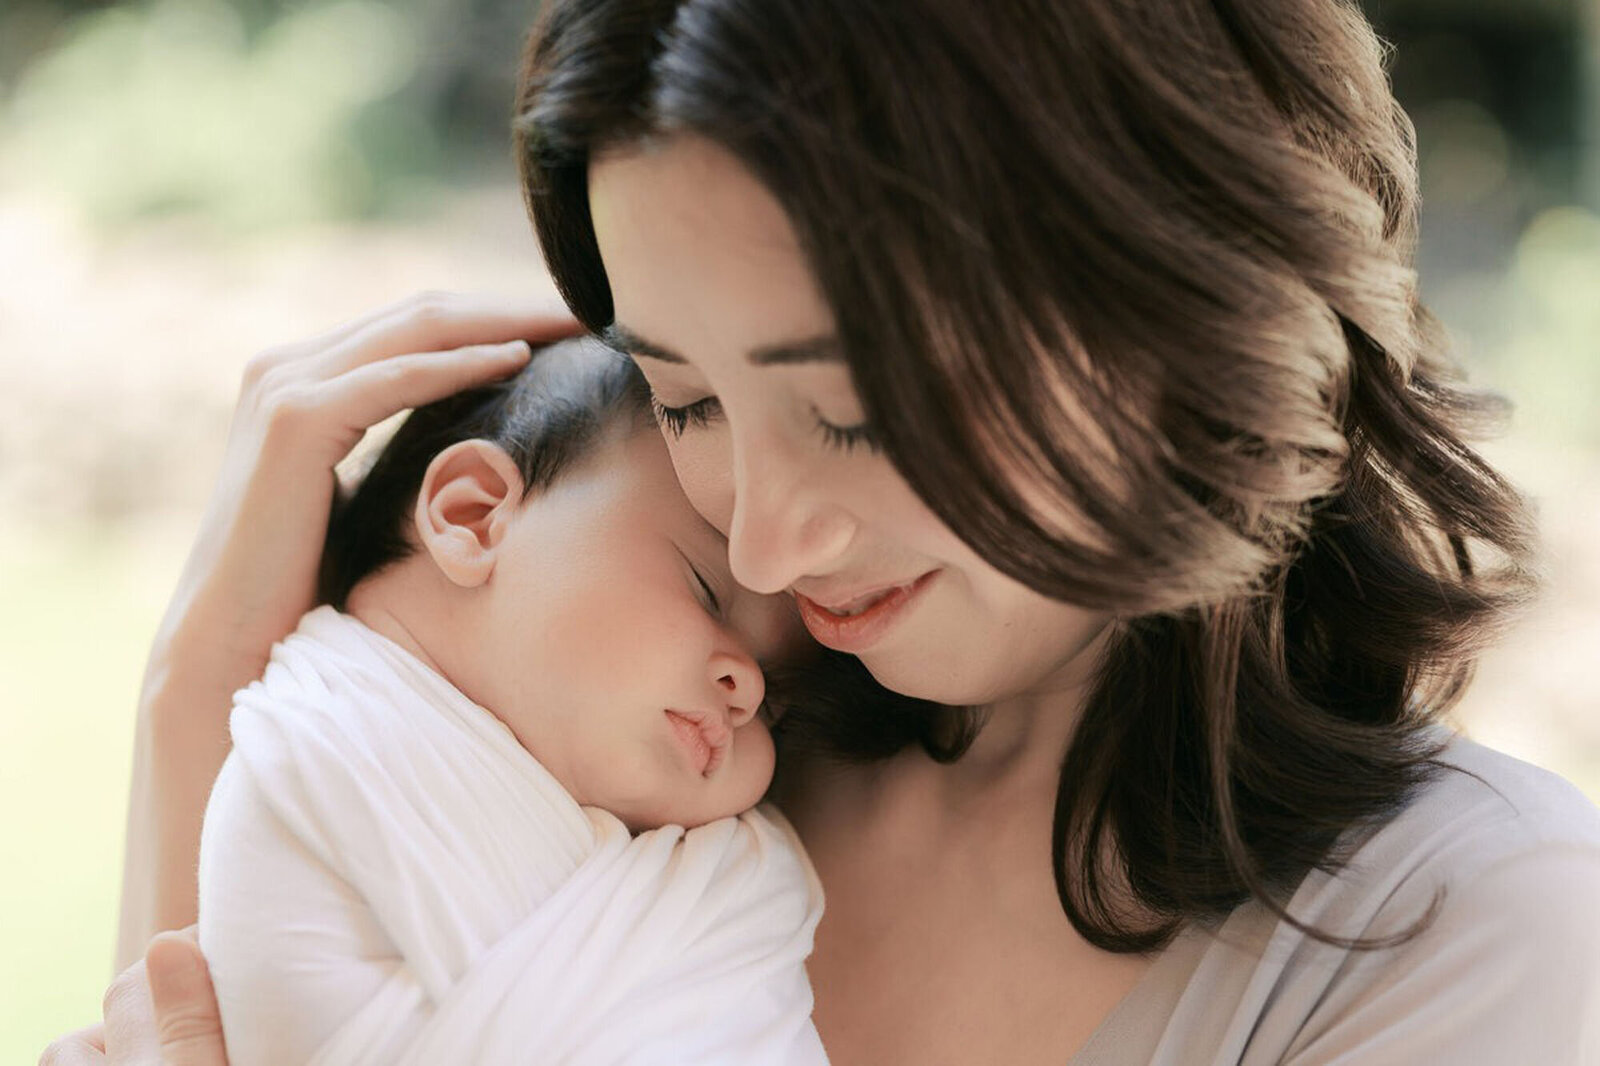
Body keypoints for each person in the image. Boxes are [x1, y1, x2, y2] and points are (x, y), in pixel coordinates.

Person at [41, 1, 1600, 1064]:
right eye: (686, 401)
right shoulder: (628, 766)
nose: (770, 552)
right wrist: (209, 690)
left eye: (854, 412)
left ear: (1175, 304)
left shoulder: (1466, 935)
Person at [195, 337, 833, 1065]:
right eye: (705, 589)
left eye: (777, 703)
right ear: (474, 515)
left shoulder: (720, 883)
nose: (747, 688)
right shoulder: (323, 746)